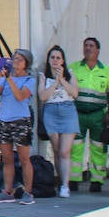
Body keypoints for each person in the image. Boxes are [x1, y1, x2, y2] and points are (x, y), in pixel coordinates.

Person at [0, 49, 36, 204]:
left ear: (26, 64)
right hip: (4, 120)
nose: (16, 61)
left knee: (24, 158)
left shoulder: (29, 80)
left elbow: (20, 96)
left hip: (21, 120)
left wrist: (9, 79)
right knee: (7, 158)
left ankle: (28, 192)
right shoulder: (5, 77)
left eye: (20, 59)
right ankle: (7, 191)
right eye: (15, 58)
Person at [69, 37, 109, 192]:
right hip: (78, 113)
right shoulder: (73, 68)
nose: (88, 48)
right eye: (86, 45)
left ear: (98, 50)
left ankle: (97, 180)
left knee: (98, 147)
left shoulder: (106, 70)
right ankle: (73, 179)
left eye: (91, 46)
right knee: (75, 147)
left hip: (98, 115)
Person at [38, 44, 79, 198]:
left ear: (63, 61)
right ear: (48, 60)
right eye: (52, 57)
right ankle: (60, 180)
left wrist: (61, 79)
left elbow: (74, 93)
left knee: (64, 151)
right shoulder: (43, 76)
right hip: (51, 110)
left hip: (68, 110)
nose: (55, 60)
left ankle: (65, 185)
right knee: (56, 149)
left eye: (58, 58)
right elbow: (42, 96)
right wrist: (54, 82)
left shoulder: (70, 73)